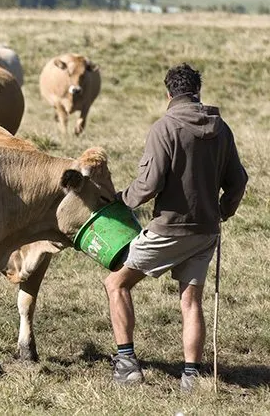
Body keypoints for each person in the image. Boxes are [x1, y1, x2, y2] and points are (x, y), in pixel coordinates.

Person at [105, 63, 248, 392]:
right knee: (190, 302)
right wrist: (223, 211)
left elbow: (148, 185)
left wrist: (121, 200)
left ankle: (127, 365)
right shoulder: (221, 128)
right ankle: (191, 377)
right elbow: (238, 181)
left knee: (116, 284)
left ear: (168, 93)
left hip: (168, 230)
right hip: (206, 231)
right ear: (198, 91)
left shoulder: (164, 127)